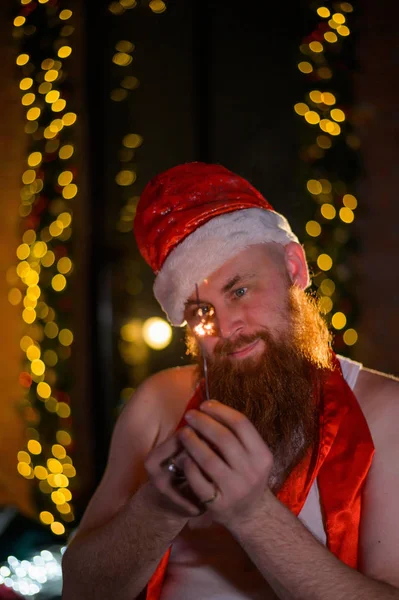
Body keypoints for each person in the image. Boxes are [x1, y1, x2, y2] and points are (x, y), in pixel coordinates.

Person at [62, 163, 399, 600]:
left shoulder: (385, 411)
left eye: (240, 291)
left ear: (294, 268)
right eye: (202, 313)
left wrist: (251, 513)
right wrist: (158, 508)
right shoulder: (160, 404)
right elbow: (81, 591)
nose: (227, 327)